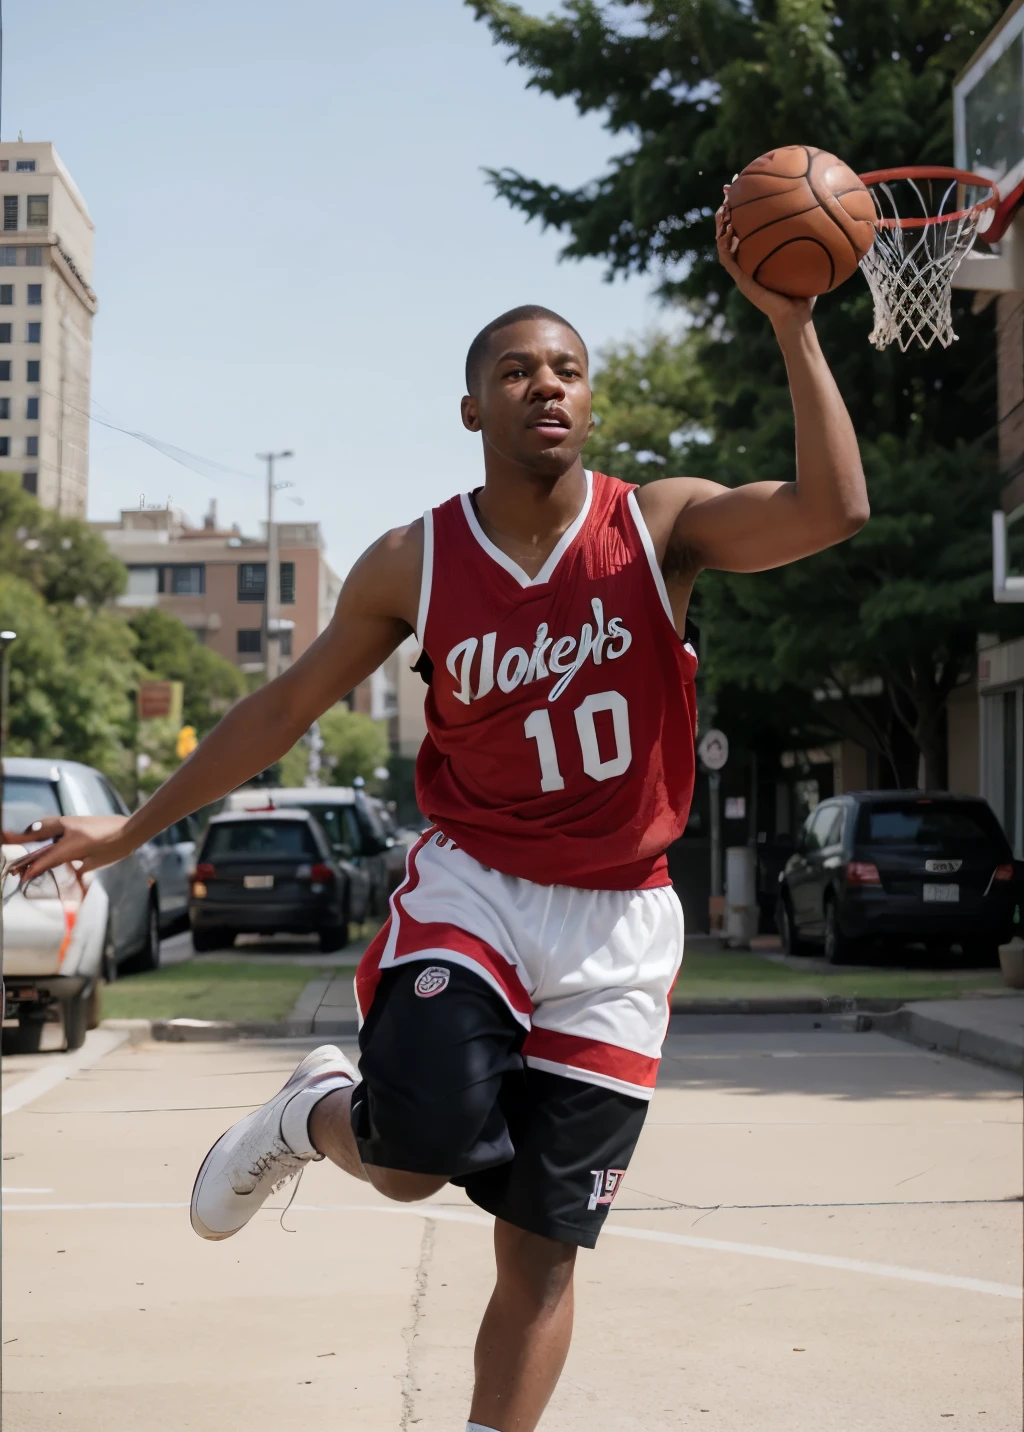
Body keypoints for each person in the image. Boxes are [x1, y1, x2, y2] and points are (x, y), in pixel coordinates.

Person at [5, 205, 869, 1432]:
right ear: (473, 408)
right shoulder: (410, 562)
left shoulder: (660, 526)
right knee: (412, 1164)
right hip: (475, 889)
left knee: (544, 1250)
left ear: (591, 399)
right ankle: (310, 1107)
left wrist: (794, 326)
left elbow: (834, 508)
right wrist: (128, 828)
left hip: (621, 923)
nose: (545, 387)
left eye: (566, 369)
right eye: (515, 371)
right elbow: (281, 707)